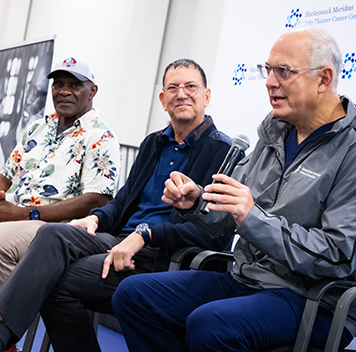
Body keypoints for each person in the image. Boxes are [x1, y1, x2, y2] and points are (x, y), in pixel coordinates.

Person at [0, 58, 234, 352]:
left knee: (51, 277)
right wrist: (96, 220)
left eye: (191, 87)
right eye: (173, 88)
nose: (181, 94)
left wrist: (144, 234)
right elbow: (121, 202)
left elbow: (211, 231)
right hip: (116, 239)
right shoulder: (153, 143)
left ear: (207, 96)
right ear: (163, 100)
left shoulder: (222, 151)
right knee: (51, 235)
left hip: (159, 254)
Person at [112, 27, 356, 352]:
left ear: (324, 79)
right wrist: (197, 202)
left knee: (211, 325)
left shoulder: (350, 150)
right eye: (267, 70)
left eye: (283, 71)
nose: (270, 81)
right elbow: (227, 214)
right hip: (246, 279)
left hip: (312, 296)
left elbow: (337, 256)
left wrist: (251, 217)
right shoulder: (274, 134)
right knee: (133, 295)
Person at [0, 56, 120, 336]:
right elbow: (3, 177)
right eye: (58, 84)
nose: (64, 91)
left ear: (92, 91)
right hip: (12, 215)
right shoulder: (37, 127)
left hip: (52, 228)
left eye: (74, 85)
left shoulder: (101, 137)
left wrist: (23, 214)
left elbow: (98, 200)